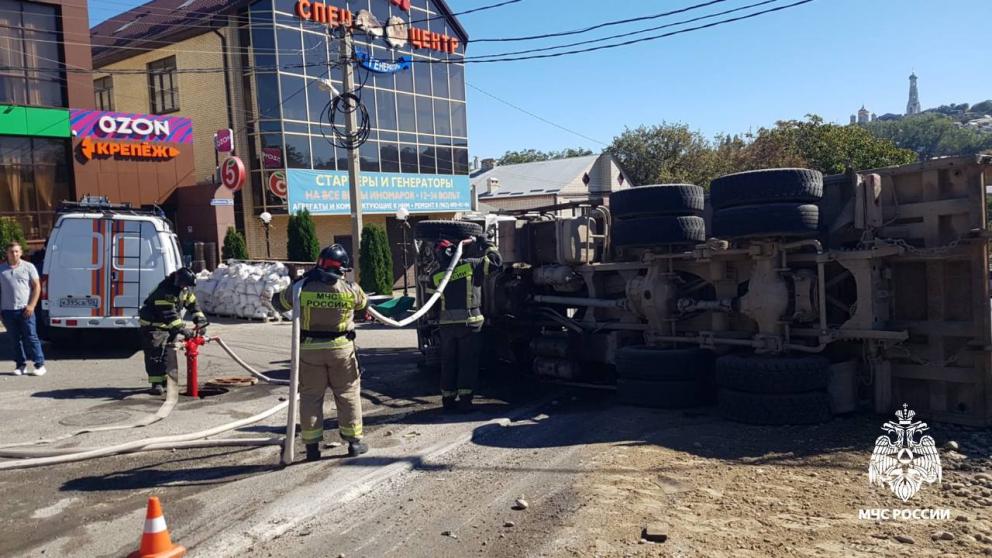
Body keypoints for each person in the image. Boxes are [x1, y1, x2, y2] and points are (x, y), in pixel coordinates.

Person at [275, 244, 369, 462]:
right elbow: (365, 305)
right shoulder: (350, 288)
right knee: (347, 394)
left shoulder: (302, 287)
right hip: (342, 350)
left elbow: (279, 304)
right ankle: (354, 443)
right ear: (342, 269)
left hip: (309, 350)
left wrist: (300, 281)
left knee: (310, 397)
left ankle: (312, 448)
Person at [431, 234, 501, 412]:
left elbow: (433, 304)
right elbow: (496, 261)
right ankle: (465, 401)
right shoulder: (472, 264)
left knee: (448, 362)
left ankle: (447, 400)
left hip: (446, 326)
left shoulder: (435, 275)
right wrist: (486, 242)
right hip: (470, 324)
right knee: (467, 362)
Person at [138, 268, 207, 395]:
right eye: (184, 284)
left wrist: (201, 321)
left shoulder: (184, 289)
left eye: (187, 285)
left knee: (168, 354)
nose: (185, 287)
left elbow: (193, 305)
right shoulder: (165, 291)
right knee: (156, 353)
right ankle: (156, 383)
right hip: (154, 326)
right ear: (178, 280)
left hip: (169, 326)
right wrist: (183, 329)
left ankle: (165, 379)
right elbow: (169, 314)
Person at [0, 241, 45, 376]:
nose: (14, 254)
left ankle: (39, 364)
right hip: (8, 310)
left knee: (31, 337)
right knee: (15, 339)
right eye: (11, 251)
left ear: (21, 253)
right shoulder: (1, 269)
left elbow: (37, 287)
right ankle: (20, 365)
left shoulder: (29, 267)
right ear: (6, 253)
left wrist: (31, 305)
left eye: (16, 251)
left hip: (26, 309)